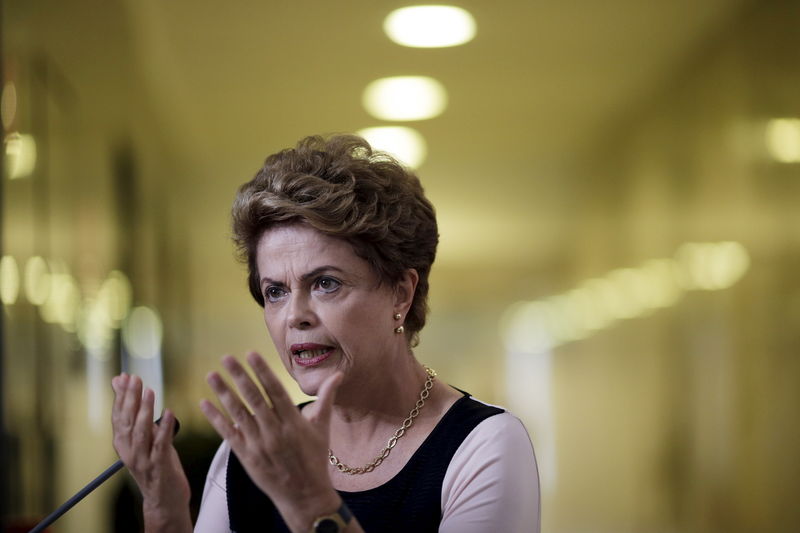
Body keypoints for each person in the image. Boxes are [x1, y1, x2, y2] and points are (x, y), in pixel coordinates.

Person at [111, 135, 540, 533]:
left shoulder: (485, 444)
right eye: (275, 291)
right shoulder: (253, 452)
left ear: (401, 294)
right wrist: (164, 508)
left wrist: (311, 501)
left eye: (326, 283)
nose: (295, 315)